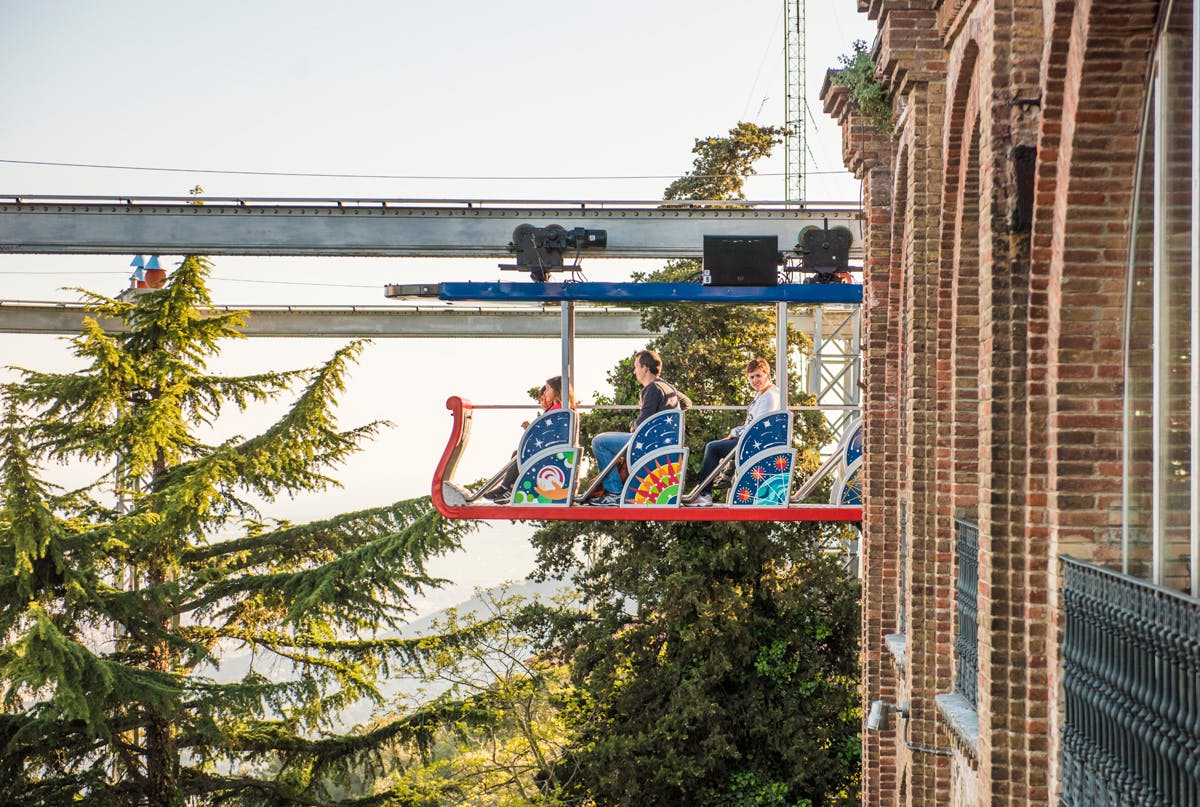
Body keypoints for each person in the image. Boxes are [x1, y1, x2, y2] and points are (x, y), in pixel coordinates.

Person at [589, 349, 690, 506]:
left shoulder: (651, 389)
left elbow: (642, 424)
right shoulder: (666, 388)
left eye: (636, 366)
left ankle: (614, 492)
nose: (634, 371)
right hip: (665, 444)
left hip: (648, 443)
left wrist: (633, 424)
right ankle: (614, 489)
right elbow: (686, 403)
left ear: (645, 368)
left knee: (599, 442)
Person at [687, 358, 781, 507]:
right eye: (751, 377)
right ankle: (718, 480)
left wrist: (735, 432)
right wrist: (735, 433)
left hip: (757, 443)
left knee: (713, 448)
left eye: (758, 376)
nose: (755, 380)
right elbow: (751, 422)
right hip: (752, 440)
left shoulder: (770, 396)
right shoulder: (762, 394)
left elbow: (758, 425)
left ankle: (704, 494)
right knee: (721, 444)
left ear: (767, 375)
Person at [485, 375, 575, 504]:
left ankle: (504, 488)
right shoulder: (559, 409)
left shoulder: (558, 410)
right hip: (551, 449)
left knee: (519, 455)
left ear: (556, 391)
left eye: (548, 389)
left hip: (550, 453)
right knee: (517, 454)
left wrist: (531, 428)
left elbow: (547, 433)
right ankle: (509, 488)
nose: (545, 393)